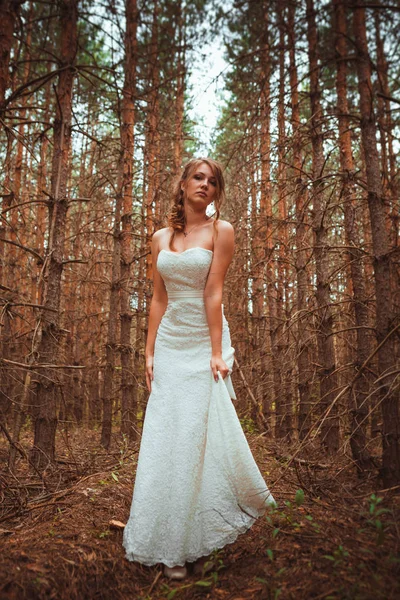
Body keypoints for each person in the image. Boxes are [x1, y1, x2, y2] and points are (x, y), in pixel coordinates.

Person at [123, 157, 276, 580]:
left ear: (216, 191)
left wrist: (215, 351)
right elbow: (157, 299)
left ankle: (201, 537)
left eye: (212, 181)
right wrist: (149, 352)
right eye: (198, 177)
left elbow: (214, 293)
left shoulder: (221, 232)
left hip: (203, 342)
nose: (205, 185)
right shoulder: (159, 238)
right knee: (167, 434)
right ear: (184, 184)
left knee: (198, 437)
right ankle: (170, 545)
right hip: (170, 344)